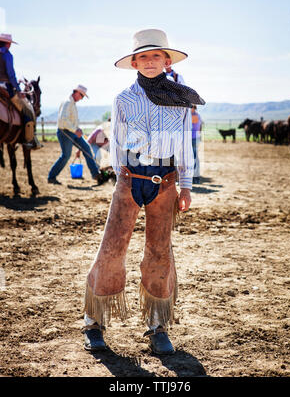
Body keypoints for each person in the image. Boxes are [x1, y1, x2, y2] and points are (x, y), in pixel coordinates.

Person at [82, 29, 205, 355]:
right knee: (112, 248)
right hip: (129, 178)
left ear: (166, 61)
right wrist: (122, 178)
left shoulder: (181, 100)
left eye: (156, 56)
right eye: (143, 57)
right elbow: (117, 141)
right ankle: (93, 321)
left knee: (159, 253)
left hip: (165, 182)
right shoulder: (123, 99)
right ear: (134, 62)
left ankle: (157, 326)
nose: (150, 62)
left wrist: (186, 184)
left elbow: (184, 145)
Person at [47, 85, 102, 185]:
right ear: (76, 92)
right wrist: (75, 130)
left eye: (83, 96)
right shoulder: (68, 102)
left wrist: (77, 128)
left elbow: (69, 120)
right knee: (66, 155)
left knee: (86, 148)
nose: (81, 98)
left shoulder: (71, 103)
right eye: (82, 96)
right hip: (65, 132)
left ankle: (96, 174)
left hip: (72, 131)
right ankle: (51, 176)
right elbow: (63, 120)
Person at [0, 33, 41, 149]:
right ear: (7, 43)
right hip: (5, 88)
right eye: (10, 44)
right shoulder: (7, 55)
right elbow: (11, 75)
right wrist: (18, 90)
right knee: (28, 110)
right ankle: (29, 139)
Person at [191, 105, 202, 184]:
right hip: (195, 138)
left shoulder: (194, 116)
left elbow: (190, 127)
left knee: (193, 157)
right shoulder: (198, 115)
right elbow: (200, 127)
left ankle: (195, 177)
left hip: (192, 138)